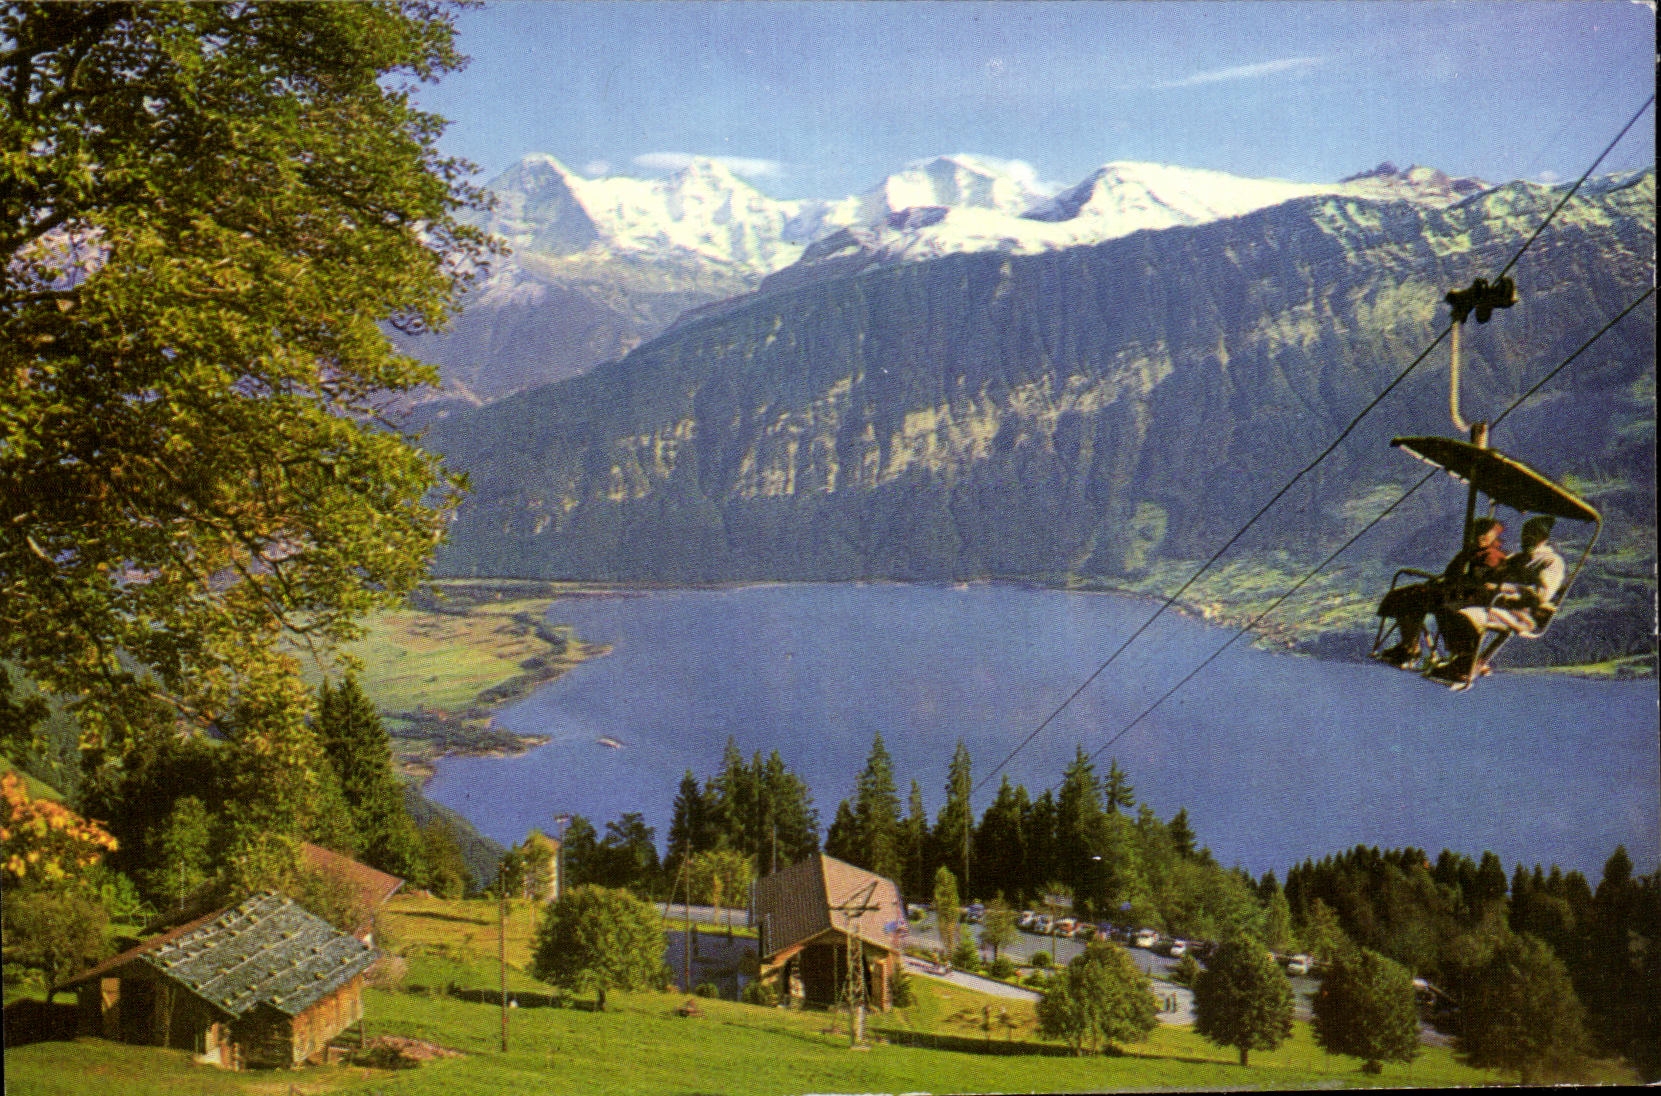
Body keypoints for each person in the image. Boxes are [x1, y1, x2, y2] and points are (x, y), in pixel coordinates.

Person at [1431, 515, 1565, 682]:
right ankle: (1462, 659)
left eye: (1533, 534)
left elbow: (1540, 594)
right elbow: (1492, 577)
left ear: (1544, 538)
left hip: (1519, 611)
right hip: (1495, 603)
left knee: (1466, 616)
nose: (1527, 537)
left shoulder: (1550, 561)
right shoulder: (1516, 559)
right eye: (1525, 533)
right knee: (1444, 607)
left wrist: (1502, 588)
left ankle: (1464, 666)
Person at [1375, 516, 1507, 668]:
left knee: (1420, 597)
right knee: (1407, 595)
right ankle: (1408, 646)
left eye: (1485, 532)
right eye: (1477, 531)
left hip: (1467, 598)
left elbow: (1478, 582)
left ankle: (1413, 649)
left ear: (1494, 536)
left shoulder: (1492, 556)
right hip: (1453, 593)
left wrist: (1456, 580)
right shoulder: (1470, 552)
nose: (1480, 536)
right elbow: (1451, 573)